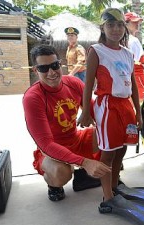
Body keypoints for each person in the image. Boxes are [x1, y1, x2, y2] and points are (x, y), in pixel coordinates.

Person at [23, 44, 111, 202]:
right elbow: (46, 144)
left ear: (60, 63)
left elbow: (97, 114)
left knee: (111, 134)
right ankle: (54, 185)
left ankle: (85, 176)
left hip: (76, 139)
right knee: (60, 173)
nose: (51, 72)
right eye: (43, 68)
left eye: (55, 65)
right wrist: (85, 162)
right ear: (35, 70)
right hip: (51, 150)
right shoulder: (33, 98)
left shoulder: (74, 83)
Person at [78, 8, 142, 204]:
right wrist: (86, 112)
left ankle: (114, 186)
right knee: (108, 152)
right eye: (110, 25)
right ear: (103, 28)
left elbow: (133, 86)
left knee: (122, 149)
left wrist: (138, 113)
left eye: (119, 25)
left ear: (124, 27)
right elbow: (88, 85)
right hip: (107, 106)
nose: (115, 29)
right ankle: (107, 197)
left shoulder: (128, 53)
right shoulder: (96, 51)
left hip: (126, 107)